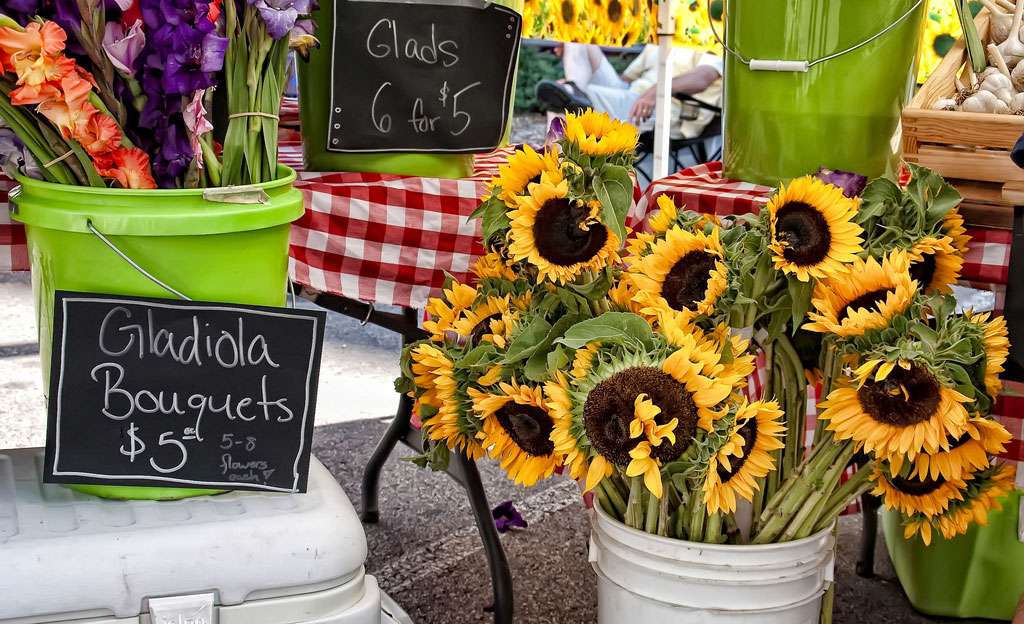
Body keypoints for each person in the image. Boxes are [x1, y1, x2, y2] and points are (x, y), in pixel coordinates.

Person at [535, 42, 723, 137]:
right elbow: (624, 79)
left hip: (667, 107)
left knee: (560, 98)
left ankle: (554, 172)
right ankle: (574, 86)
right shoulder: (662, 36)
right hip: (631, 94)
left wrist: (655, 92)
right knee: (576, 39)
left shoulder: (708, 37)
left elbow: (704, 78)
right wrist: (575, 65)